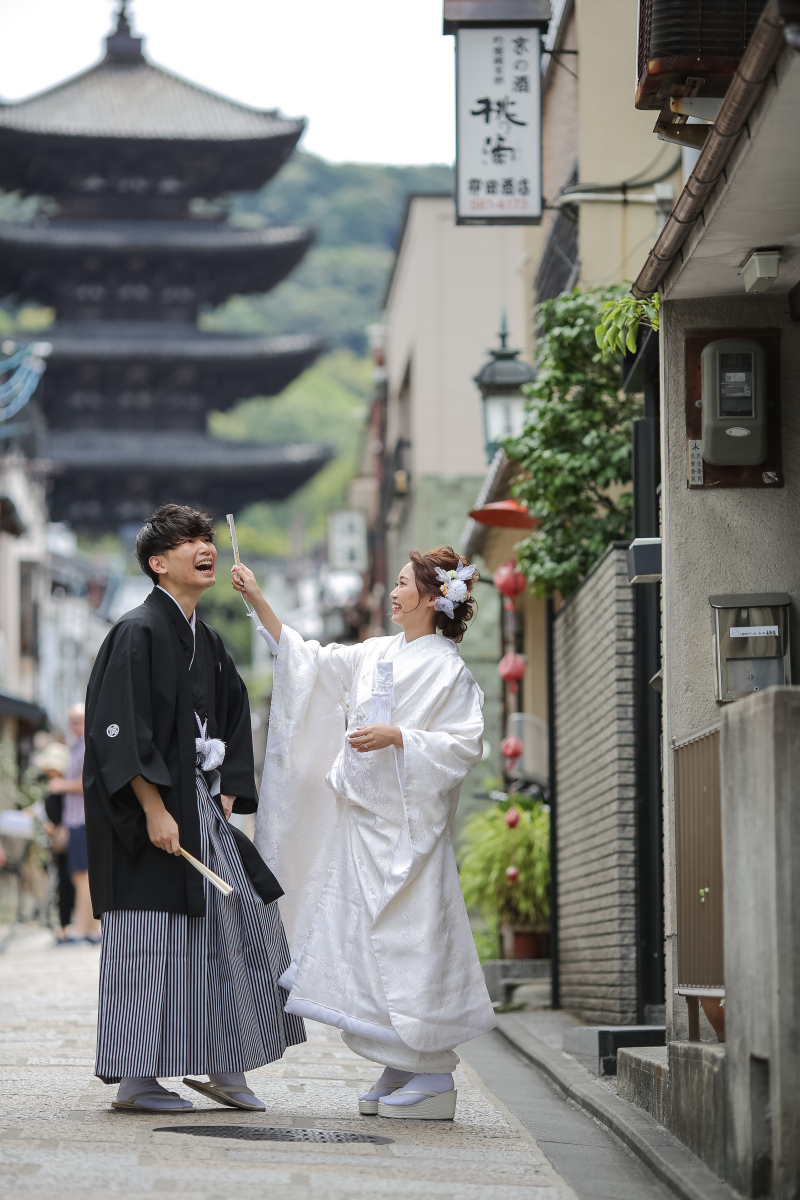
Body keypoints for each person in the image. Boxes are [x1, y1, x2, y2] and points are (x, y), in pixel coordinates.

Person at [232, 546, 496, 1122]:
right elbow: (307, 660)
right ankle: (400, 1062)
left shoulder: (448, 669)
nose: (393, 593)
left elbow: (463, 745)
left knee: (410, 941)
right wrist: (256, 597)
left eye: (403, 584)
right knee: (362, 943)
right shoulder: (377, 651)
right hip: (363, 827)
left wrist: (399, 737)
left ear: (433, 597)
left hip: (408, 834)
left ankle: (430, 1069)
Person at [83, 504, 304, 1114]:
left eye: (208, 538)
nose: (205, 547)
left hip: (201, 808)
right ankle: (136, 1077)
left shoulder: (205, 640)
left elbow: (233, 711)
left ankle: (226, 1063)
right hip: (147, 817)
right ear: (158, 563)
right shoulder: (137, 631)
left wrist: (228, 787)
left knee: (237, 926)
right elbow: (117, 729)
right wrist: (153, 807)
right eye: (189, 541)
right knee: (149, 941)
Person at [45, 707, 100, 943]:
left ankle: (86, 931)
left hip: (82, 820)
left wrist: (61, 785)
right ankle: (88, 930)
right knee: (81, 877)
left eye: (78, 720)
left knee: (82, 877)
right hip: (76, 821)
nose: (74, 725)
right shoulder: (77, 746)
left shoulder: (87, 746)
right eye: (72, 721)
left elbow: (90, 781)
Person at [35, 739, 76, 943]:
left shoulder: (62, 786)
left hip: (66, 838)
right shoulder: (56, 785)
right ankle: (64, 926)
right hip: (60, 841)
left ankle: (67, 926)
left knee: (69, 883)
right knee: (64, 883)